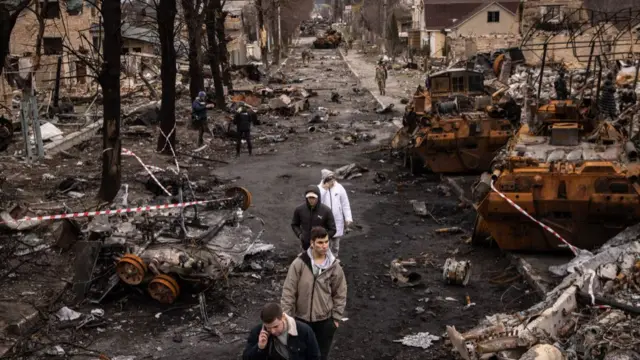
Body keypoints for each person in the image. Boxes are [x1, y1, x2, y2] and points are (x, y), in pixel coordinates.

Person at [281, 227, 347, 360]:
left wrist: (335, 319)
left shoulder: (334, 266)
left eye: (326, 242)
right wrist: (287, 318)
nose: (325, 246)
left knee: (321, 356)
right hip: (301, 320)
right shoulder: (299, 263)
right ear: (312, 243)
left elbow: (340, 293)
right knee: (300, 355)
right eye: (320, 242)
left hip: (325, 322)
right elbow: (289, 292)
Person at [243, 302, 321, 360]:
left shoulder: (304, 330)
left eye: (275, 326)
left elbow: (315, 356)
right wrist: (260, 348)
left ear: (283, 317)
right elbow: (246, 358)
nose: (272, 331)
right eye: (268, 328)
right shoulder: (258, 332)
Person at [317, 170, 352, 258]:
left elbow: (345, 203)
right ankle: (324, 260)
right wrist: (325, 189)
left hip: (337, 220)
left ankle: (334, 259)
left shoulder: (339, 187)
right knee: (325, 243)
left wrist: (348, 218)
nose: (333, 181)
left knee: (336, 245)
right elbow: (317, 202)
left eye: (333, 178)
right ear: (325, 179)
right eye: (330, 179)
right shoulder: (319, 188)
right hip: (324, 221)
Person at [291, 186, 336, 251]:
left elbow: (333, 229)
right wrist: (300, 235)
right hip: (305, 246)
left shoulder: (326, 211)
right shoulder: (299, 210)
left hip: (322, 248)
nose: (311, 200)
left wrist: (323, 240)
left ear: (318, 197)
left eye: (313, 197)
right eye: (309, 197)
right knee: (305, 261)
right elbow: (294, 224)